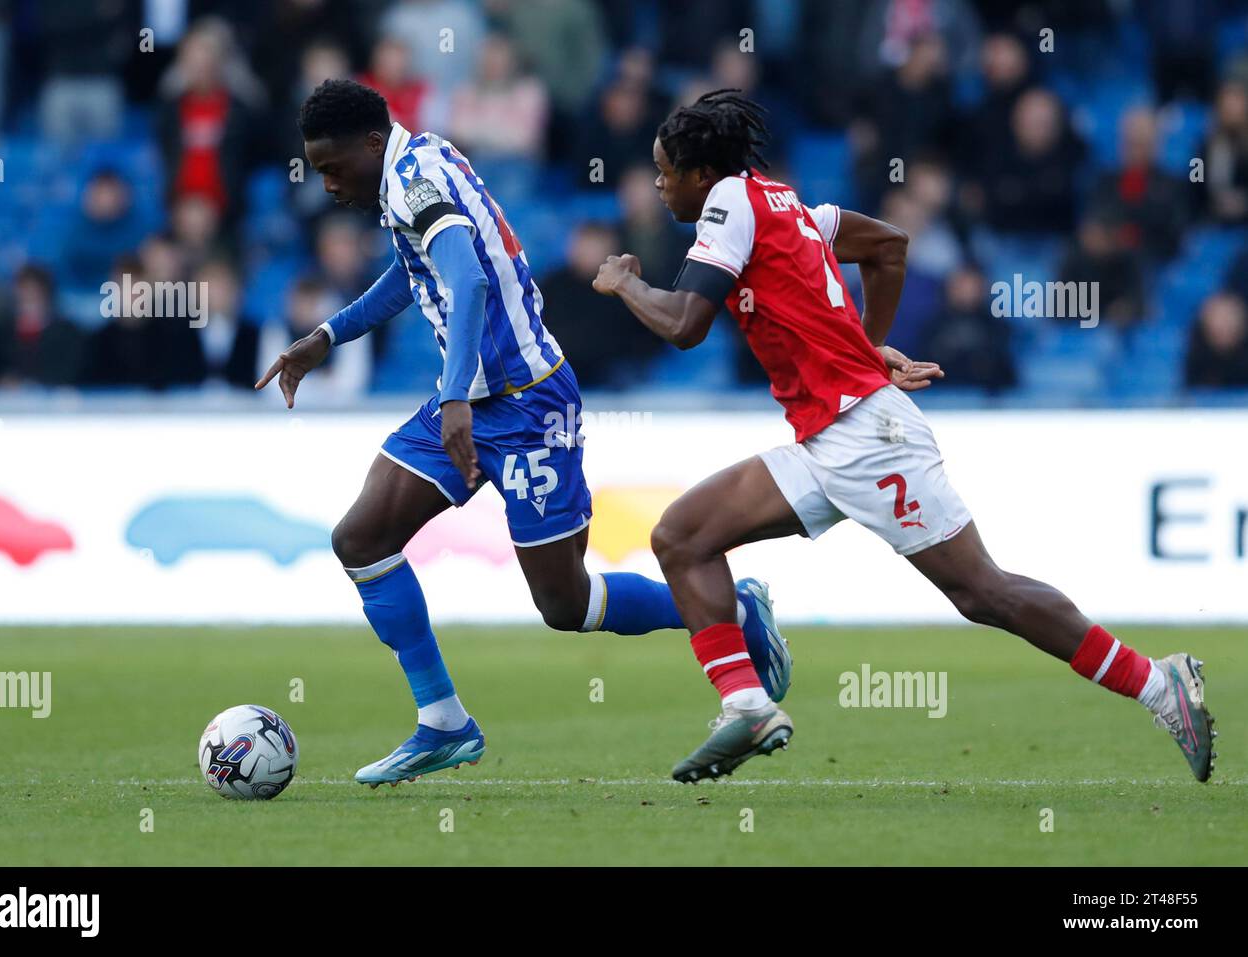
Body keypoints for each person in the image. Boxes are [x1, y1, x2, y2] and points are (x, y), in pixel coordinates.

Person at [592, 90, 1216, 784]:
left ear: (699, 173)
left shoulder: (729, 204)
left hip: (866, 435)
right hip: (830, 437)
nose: (657, 183)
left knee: (985, 593)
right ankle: (746, 701)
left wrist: (624, 284)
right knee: (683, 535)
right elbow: (888, 246)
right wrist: (865, 345)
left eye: (663, 170)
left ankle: (1160, 684)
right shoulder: (787, 204)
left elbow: (684, 325)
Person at [254, 80, 791, 788]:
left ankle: (739, 612)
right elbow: (415, 274)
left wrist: (451, 400)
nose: (325, 184)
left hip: (528, 404)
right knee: (361, 537)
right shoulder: (414, 168)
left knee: (566, 605)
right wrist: (329, 333)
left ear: (368, 144)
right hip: (471, 400)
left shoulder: (414, 184)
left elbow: (470, 283)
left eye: (331, 167)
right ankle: (443, 721)